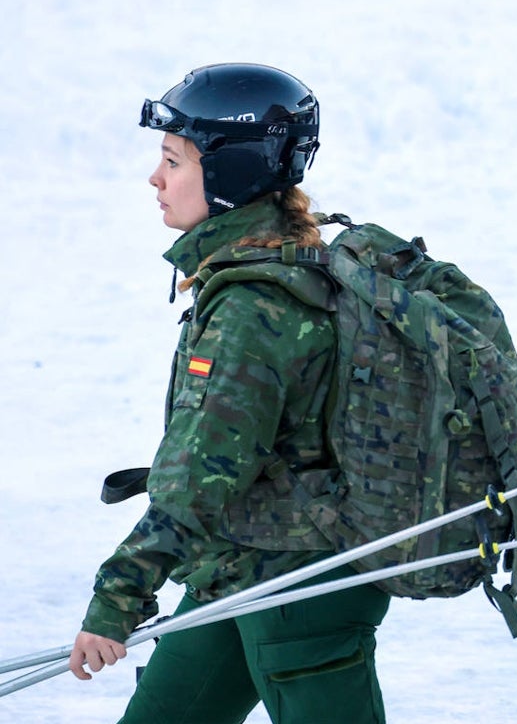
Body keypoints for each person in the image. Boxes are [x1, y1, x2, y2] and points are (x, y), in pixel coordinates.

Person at [68, 63, 392, 724]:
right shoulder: (274, 267)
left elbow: (199, 475)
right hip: (240, 566)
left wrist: (118, 598)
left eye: (173, 161)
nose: (155, 179)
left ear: (231, 173)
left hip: (303, 592)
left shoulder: (252, 309)